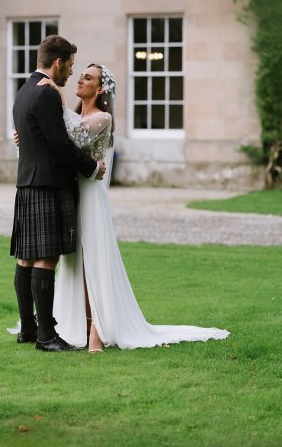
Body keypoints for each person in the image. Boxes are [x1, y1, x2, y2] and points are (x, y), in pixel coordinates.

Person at [27, 63, 230, 351]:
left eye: (88, 77)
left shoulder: (103, 118)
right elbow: (58, 140)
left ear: (100, 89)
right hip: (72, 194)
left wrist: (56, 96)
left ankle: (98, 326)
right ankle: (79, 324)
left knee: (94, 260)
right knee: (75, 263)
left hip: (90, 197)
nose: (80, 79)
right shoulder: (74, 114)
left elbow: (78, 135)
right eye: (81, 74)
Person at [10, 35, 106, 353]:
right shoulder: (47, 94)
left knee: (26, 257)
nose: (70, 73)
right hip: (49, 182)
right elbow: (60, 144)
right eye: (70, 66)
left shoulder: (23, 91)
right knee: (46, 257)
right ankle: (46, 336)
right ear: (58, 63)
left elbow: (34, 137)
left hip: (27, 180)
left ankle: (27, 327)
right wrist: (92, 167)